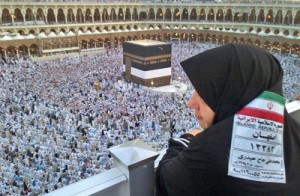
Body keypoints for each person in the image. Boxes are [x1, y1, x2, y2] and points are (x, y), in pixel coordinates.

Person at [156, 44, 300, 195]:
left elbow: (167, 178)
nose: (191, 103)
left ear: (231, 97)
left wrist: (184, 141)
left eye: (205, 95)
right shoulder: (295, 134)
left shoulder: (210, 153)